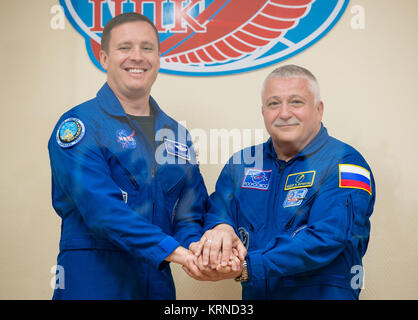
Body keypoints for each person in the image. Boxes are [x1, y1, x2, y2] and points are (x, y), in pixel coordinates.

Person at [48, 12, 210, 299]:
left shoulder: (177, 135)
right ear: (104, 58)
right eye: (125, 47)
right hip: (94, 281)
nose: (137, 57)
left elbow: (189, 214)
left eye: (147, 48)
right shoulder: (80, 125)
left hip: (156, 281)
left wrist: (197, 248)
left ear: (158, 58)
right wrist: (175, 252)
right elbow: (102, 211)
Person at [191, 65, 376, 300]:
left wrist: (249, 267)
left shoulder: (345, 163)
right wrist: (221, 229)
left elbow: (329, 237)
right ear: (263, 111)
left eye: (296, 102)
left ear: (318, 110)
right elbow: (218, 211)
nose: (284, 113)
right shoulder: (242, 163)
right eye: (274, 103)